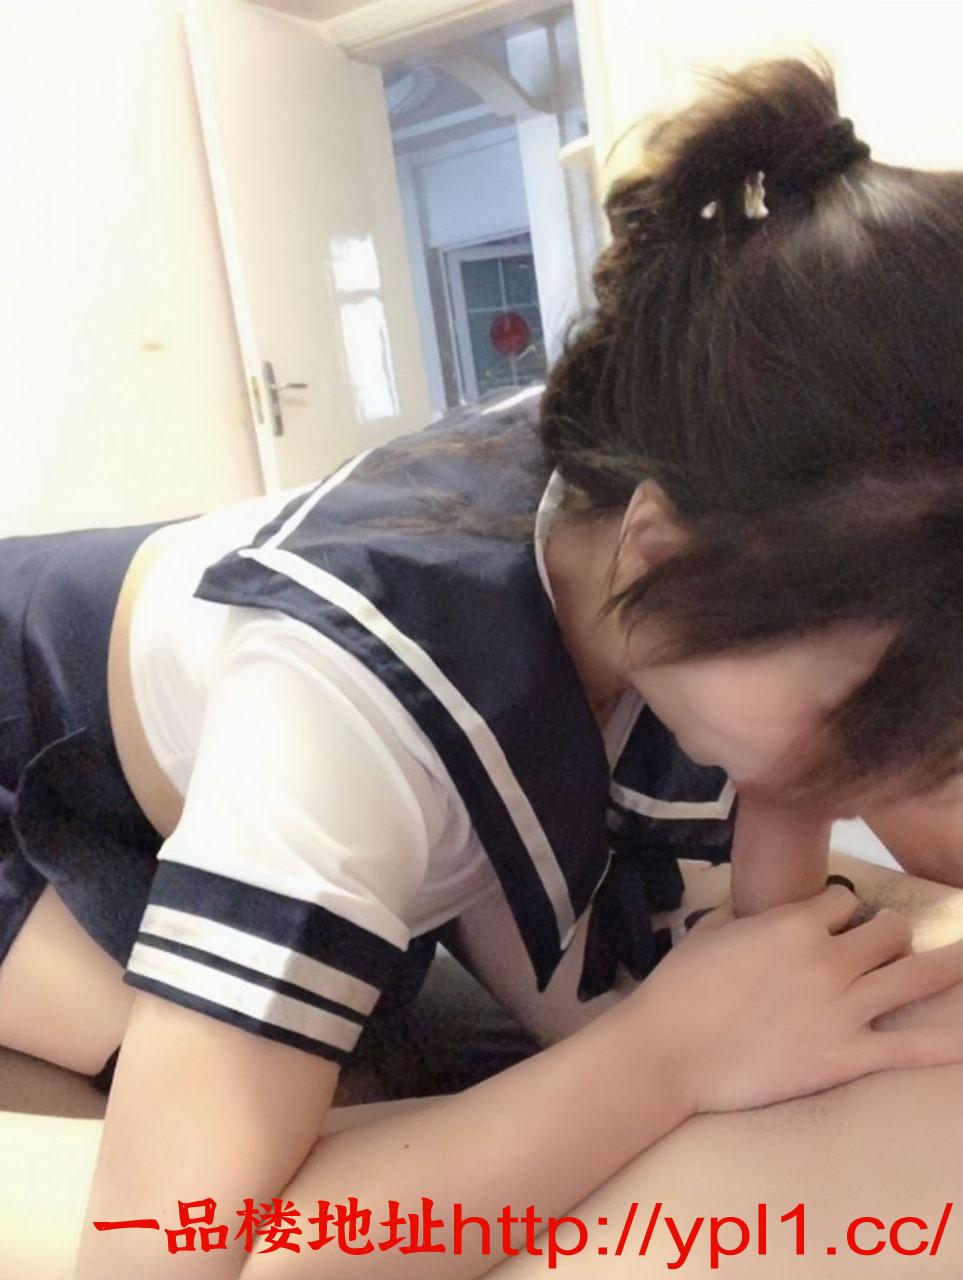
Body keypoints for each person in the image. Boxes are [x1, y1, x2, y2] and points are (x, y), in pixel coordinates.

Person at [0, 52, 960, 1280]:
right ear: (660, 556)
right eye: (867, 719)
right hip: (41, 766)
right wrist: (668, 1055)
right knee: (313, 1112)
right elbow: (160, 1252)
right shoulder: (343, 704)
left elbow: (822, 898)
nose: (897, 777)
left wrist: (794, 812)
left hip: (237, 720)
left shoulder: (666, 467)